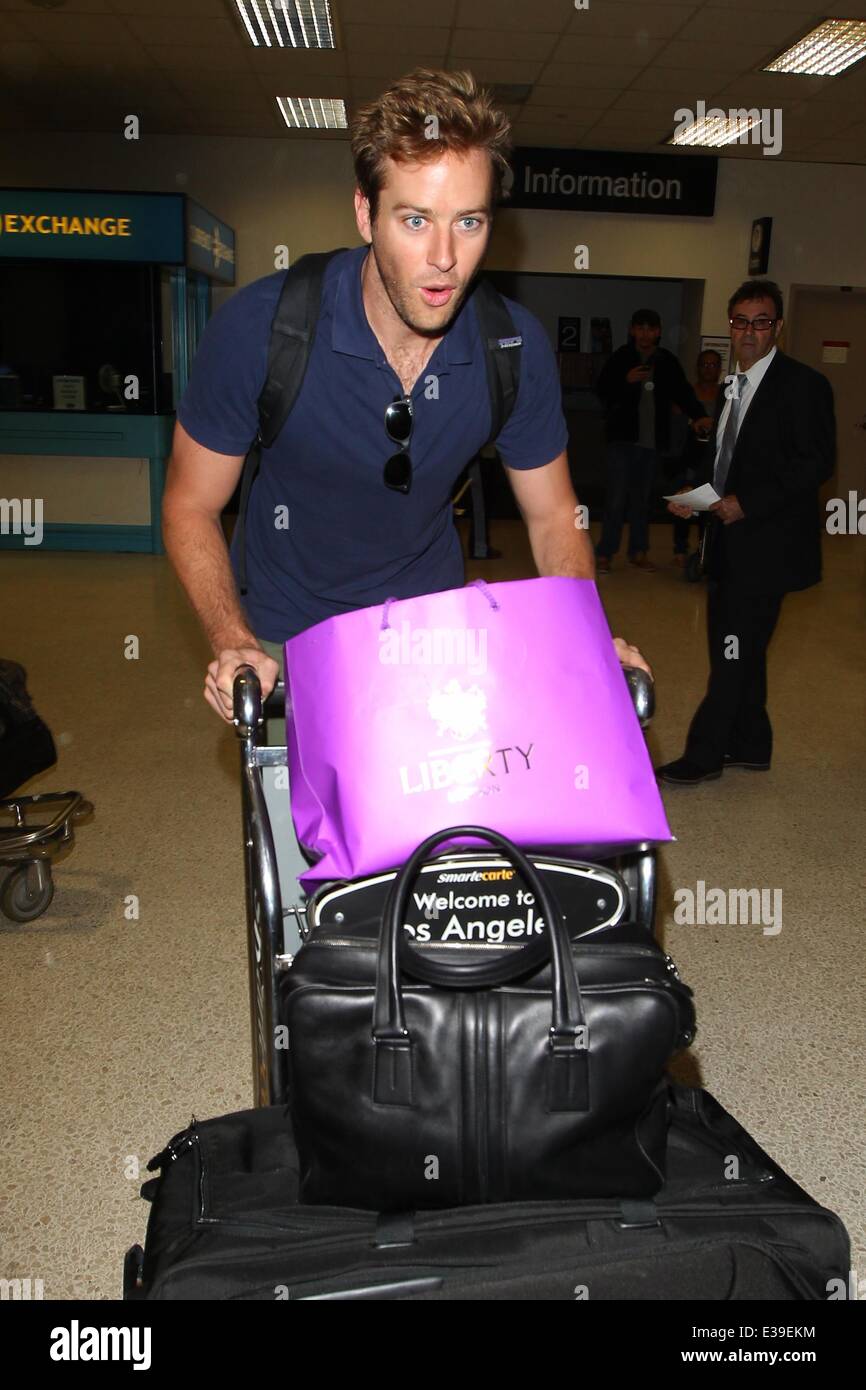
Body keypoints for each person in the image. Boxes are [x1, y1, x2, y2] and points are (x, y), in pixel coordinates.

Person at [162, 68, 649, 888]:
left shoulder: (510, 349)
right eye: (414, 220)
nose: (443, 259)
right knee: (308, 888)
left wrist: (582, 645)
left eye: (469, 222)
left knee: (427, 882)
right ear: (365, 213)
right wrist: (232, 640)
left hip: (427, 647)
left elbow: (553, 515)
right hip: (290, 640)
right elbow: (189, 503)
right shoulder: (266, 327)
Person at [657, 279, 835, 786]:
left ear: (777, 327)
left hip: (768, 547)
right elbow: (729, 459)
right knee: (744, 646)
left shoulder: (802, 385)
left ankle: (704, 753)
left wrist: (747, 504)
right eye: (740, 322)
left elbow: (817, 463)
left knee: (731, 649)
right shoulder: (735, 385)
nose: (749, 332)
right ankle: (753, 743)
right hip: (728, 541)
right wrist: (702, 497)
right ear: (730, 326)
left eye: (761, 322)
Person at [594, 310, 713, 575]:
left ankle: (639, 552)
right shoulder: (621, 358)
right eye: (641, 329)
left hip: (651, 444)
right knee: (615, 499)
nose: (646, 334)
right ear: (633, 331)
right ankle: (604, 554)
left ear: (658, 332)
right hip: (621, 441)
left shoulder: (667, 361)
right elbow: (602, 391)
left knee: (642, 500)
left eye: (651, 329)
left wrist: (699, 415)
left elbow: (683, 391)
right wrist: (625, 381)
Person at [670, 348, 723, 566]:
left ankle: (705, 549)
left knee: (708, 508)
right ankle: (680, 548)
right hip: (690, 455)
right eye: (704, 364)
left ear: (719, 369)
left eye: (713, 365)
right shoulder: (687, 393)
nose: (708, 369)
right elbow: (674, 423)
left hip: (714, 458)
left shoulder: (725, 394)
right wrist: (692, 423)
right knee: (686, 501)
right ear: (697, 368)